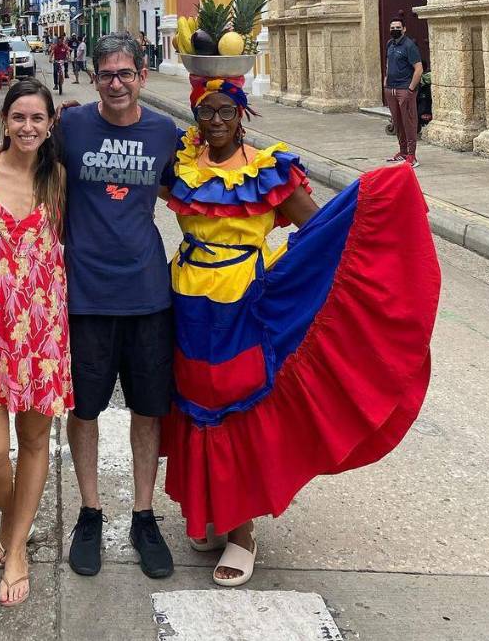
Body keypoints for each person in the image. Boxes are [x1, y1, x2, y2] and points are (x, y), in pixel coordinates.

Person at [160, 73, 439, 587]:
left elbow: (318, 229)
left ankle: (242, 533)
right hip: (187, 304)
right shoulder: (181, 165)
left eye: (227, 111)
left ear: (242, 114)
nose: (217, 121)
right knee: (192, 401)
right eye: (207, 111)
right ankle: (211, 513)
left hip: (244, 305)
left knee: (234, 404)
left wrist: (299, 267)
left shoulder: (268, 174)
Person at [0, 34, 179, 581]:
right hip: (83, 297)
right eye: (106, 74)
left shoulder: (165, 133)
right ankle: (89, 511)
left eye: (125, 74)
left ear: (142, 76)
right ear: (92, 77)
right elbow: (25, 154)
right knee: (84, 411)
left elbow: (198, 188)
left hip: (147, 293)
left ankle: (142, 513)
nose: (115, 83)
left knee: (147, 410)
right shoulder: (71, 128)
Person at [0, 78, 72, 608]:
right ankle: (15, 517)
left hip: (42, 334)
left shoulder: (60, 181)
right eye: (18, 117)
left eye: (37, 119)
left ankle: (17, 544)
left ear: (49, 127)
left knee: (36, 442)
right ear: (4, 120)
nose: (27, 127)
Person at [384, 16, 423, 168]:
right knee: (398, 122)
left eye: (398, 27)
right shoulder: (390, 44)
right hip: (391, 89)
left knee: (409, 122)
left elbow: (418, 69)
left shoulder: (409, 46)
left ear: (404, 29)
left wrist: (410, 89)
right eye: (392, 28)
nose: (395, 30)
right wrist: (386, 81)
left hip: (404, 89)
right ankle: (402, 152)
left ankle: (412, 156)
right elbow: (388, 64)